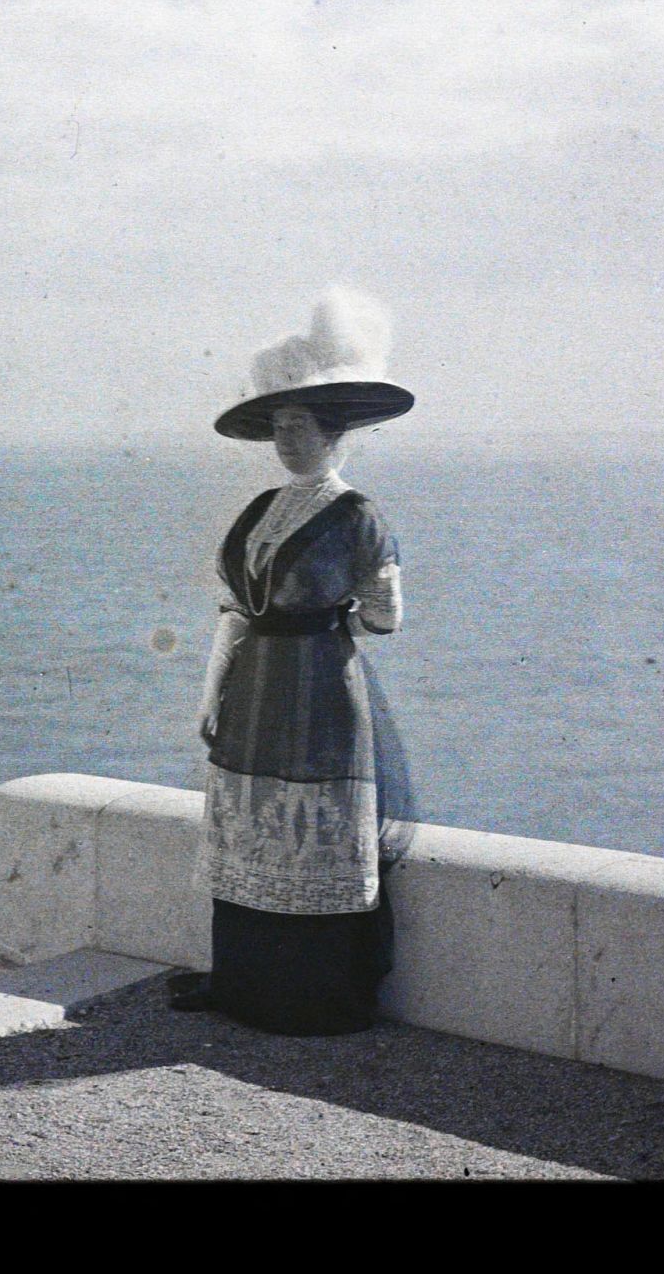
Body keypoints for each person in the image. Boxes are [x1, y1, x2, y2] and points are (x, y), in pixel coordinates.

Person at [169, 288, 416, 1035]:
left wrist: (330, 619)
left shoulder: (358, 516)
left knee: (311, 829)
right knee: (252, 826)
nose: (287, 440)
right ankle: (246, 984)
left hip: (321, 694)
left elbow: (386, 616)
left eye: (300, 426)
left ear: (334, 432)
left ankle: (311, 997)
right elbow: (234, 610)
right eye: (278, 427)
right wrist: (211, 694)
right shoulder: (259, 511)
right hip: (254, 693)